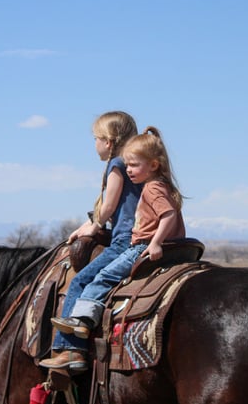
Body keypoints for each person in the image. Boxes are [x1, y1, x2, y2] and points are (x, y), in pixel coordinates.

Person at [42, 126, 185, 373]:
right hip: (156, 243)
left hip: (137, 245)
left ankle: (81, 323)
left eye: (133, 165)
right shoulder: (159, 184)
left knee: (99, 278)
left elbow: (168, 214)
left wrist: (155, 242)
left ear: (153, 164)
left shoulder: (150, 187)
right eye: (127, 165)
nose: (128, 169)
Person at [44, 111, 142, 374]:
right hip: (142, 235)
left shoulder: (117, 165)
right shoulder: (139, 164)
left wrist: (94, 224)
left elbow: (109, 205)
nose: (94, 144)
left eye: (96, 138)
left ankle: (70, 350)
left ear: (108, 142)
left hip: (125, 239)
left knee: (79, 281)